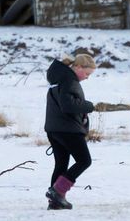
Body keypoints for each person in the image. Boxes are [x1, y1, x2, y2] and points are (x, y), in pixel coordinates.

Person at [44, 53, 96, 210]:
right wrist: (89, 106)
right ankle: (57, 192)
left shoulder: (58, 78)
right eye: (87, 73)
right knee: (84, 161)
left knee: (61, 165)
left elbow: (64, 104)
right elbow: (68, 105)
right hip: (67, 129)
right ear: (78, 67)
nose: (87, 78)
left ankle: (55, 202)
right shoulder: (68, 79)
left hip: (54, 128)